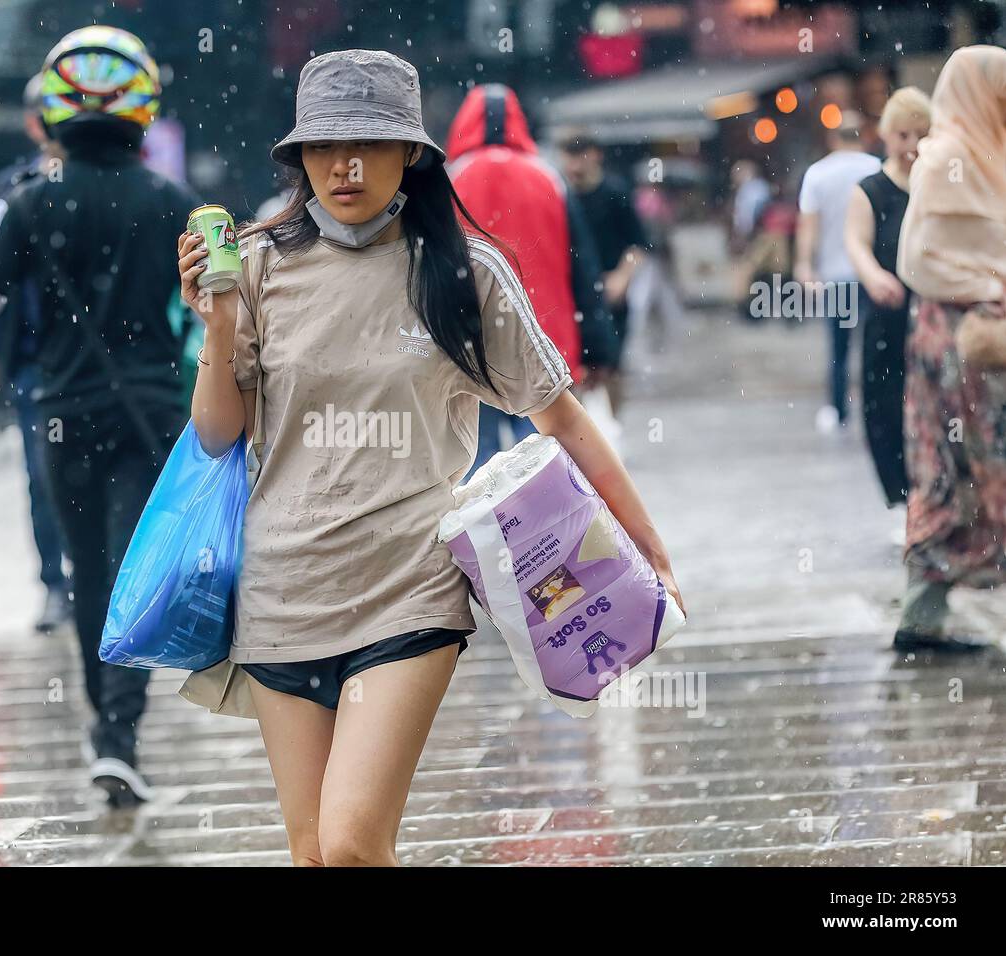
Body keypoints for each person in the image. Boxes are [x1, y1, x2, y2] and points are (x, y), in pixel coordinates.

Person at [177, 49, 683, 866]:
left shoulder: (464, 272)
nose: (345, 167)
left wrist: (646, 550)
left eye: (371, 145)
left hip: (406, 594)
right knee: (310, 853)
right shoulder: (261, 264)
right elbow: (216, 435)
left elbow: (563, 418)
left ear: (412, 153)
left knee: (349, 844)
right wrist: (217, 323)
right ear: (299, 157)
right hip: (280, 596)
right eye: (324, 147)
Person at [0, 26, 199, 803]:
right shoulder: (173, 202)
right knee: (135, 568)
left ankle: (107, 725)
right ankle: (120, 731)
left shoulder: (30, 202)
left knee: (88, 571)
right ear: (143, 108)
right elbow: (222, 297)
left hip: (63, 414)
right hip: (151, 412)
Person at [893, 45, 1006, 654]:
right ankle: (921, 617)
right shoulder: (944, 159)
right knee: (951, 471)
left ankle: (924, 617)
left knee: (990, 471)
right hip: (955, 348)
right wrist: (987, 288)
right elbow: (917, 260)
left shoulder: (994, 153)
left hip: (990, 346)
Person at [444, 83, 614, 479]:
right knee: (543, 465)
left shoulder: (448, 181)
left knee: (476, 467)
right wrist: (598, 348)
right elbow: (583, 269)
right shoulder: (549, 179)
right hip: (544, 345)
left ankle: (488, 540)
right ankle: (545, 541)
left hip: (471, 347)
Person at [0, 74, 72, 636]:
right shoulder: (17, 191)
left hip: (121, 362)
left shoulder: (139, 185)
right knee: (44, 475)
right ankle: (57, 583)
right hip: (38, 362)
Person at [843, 87, 932, 515]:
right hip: (889, 313)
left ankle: (937, 497)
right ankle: (901, 498)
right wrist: (874, 275)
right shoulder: (870, 189)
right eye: (903, 135)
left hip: (935, 311)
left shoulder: (939, 181)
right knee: (885, 404)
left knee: (937, 406)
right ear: (886, 136)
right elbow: (856, 243)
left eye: (921, 135)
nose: (912, 146)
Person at [794, 111, 881, 434]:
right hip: (873, 273)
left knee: (839, 347)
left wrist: (805, 265)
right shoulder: (877, 169)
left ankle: (838, 408)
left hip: (835, 276)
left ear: (833, 139)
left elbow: (809, 227)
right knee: (876, 344)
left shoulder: (817, 174)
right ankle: (876, 405)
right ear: (863, 135)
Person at [557, 135, 650, 414]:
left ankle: (614, 427)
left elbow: (637, 244)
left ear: (595, 155)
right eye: (570, 155)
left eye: (580, 154)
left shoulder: (615, 192)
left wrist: (622, 277)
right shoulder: (560, 194)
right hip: (572, 295)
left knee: (612, 365)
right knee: (570, 368)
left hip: (611, 292)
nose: (575, 163)